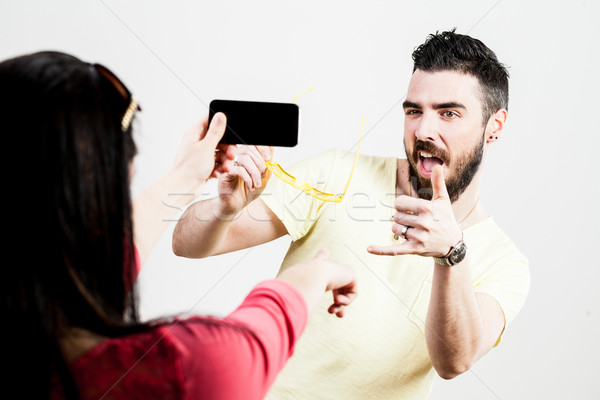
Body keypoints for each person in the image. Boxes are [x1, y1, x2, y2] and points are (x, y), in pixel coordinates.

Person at [172, 28, 531, 399]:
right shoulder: (337, 172)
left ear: (494, 127)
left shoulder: (506, 264)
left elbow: (454, 362)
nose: (424, 130)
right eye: (413, 111)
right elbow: (185, 244)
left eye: (449, 113)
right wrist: (224, 208)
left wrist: (451, 253)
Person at [0, 50, 358, 400]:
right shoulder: (174, 371)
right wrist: (314, 275)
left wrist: (186, 175)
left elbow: (97, 263)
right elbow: (247, 349)